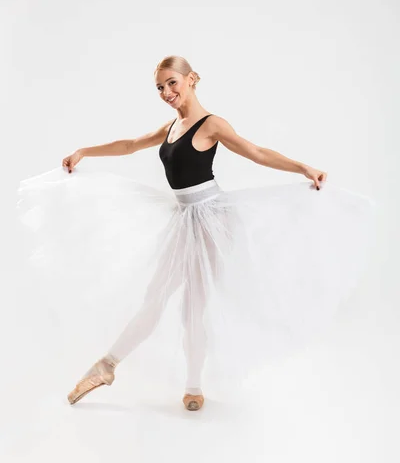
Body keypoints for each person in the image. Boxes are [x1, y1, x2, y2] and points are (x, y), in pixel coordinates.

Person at [17, 56, 375, 412]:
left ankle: (189, 385)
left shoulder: (211, 124)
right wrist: (84, 152)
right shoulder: (171, 127)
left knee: (194, 305)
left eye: (172, 82)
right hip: (182, 216)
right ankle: (107, 366)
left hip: (209, 218)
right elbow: (129, 144)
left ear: (192, 79)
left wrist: (303, 167)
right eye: (159, 87)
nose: (166, 92)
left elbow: (256, 152)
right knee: (155, 297)